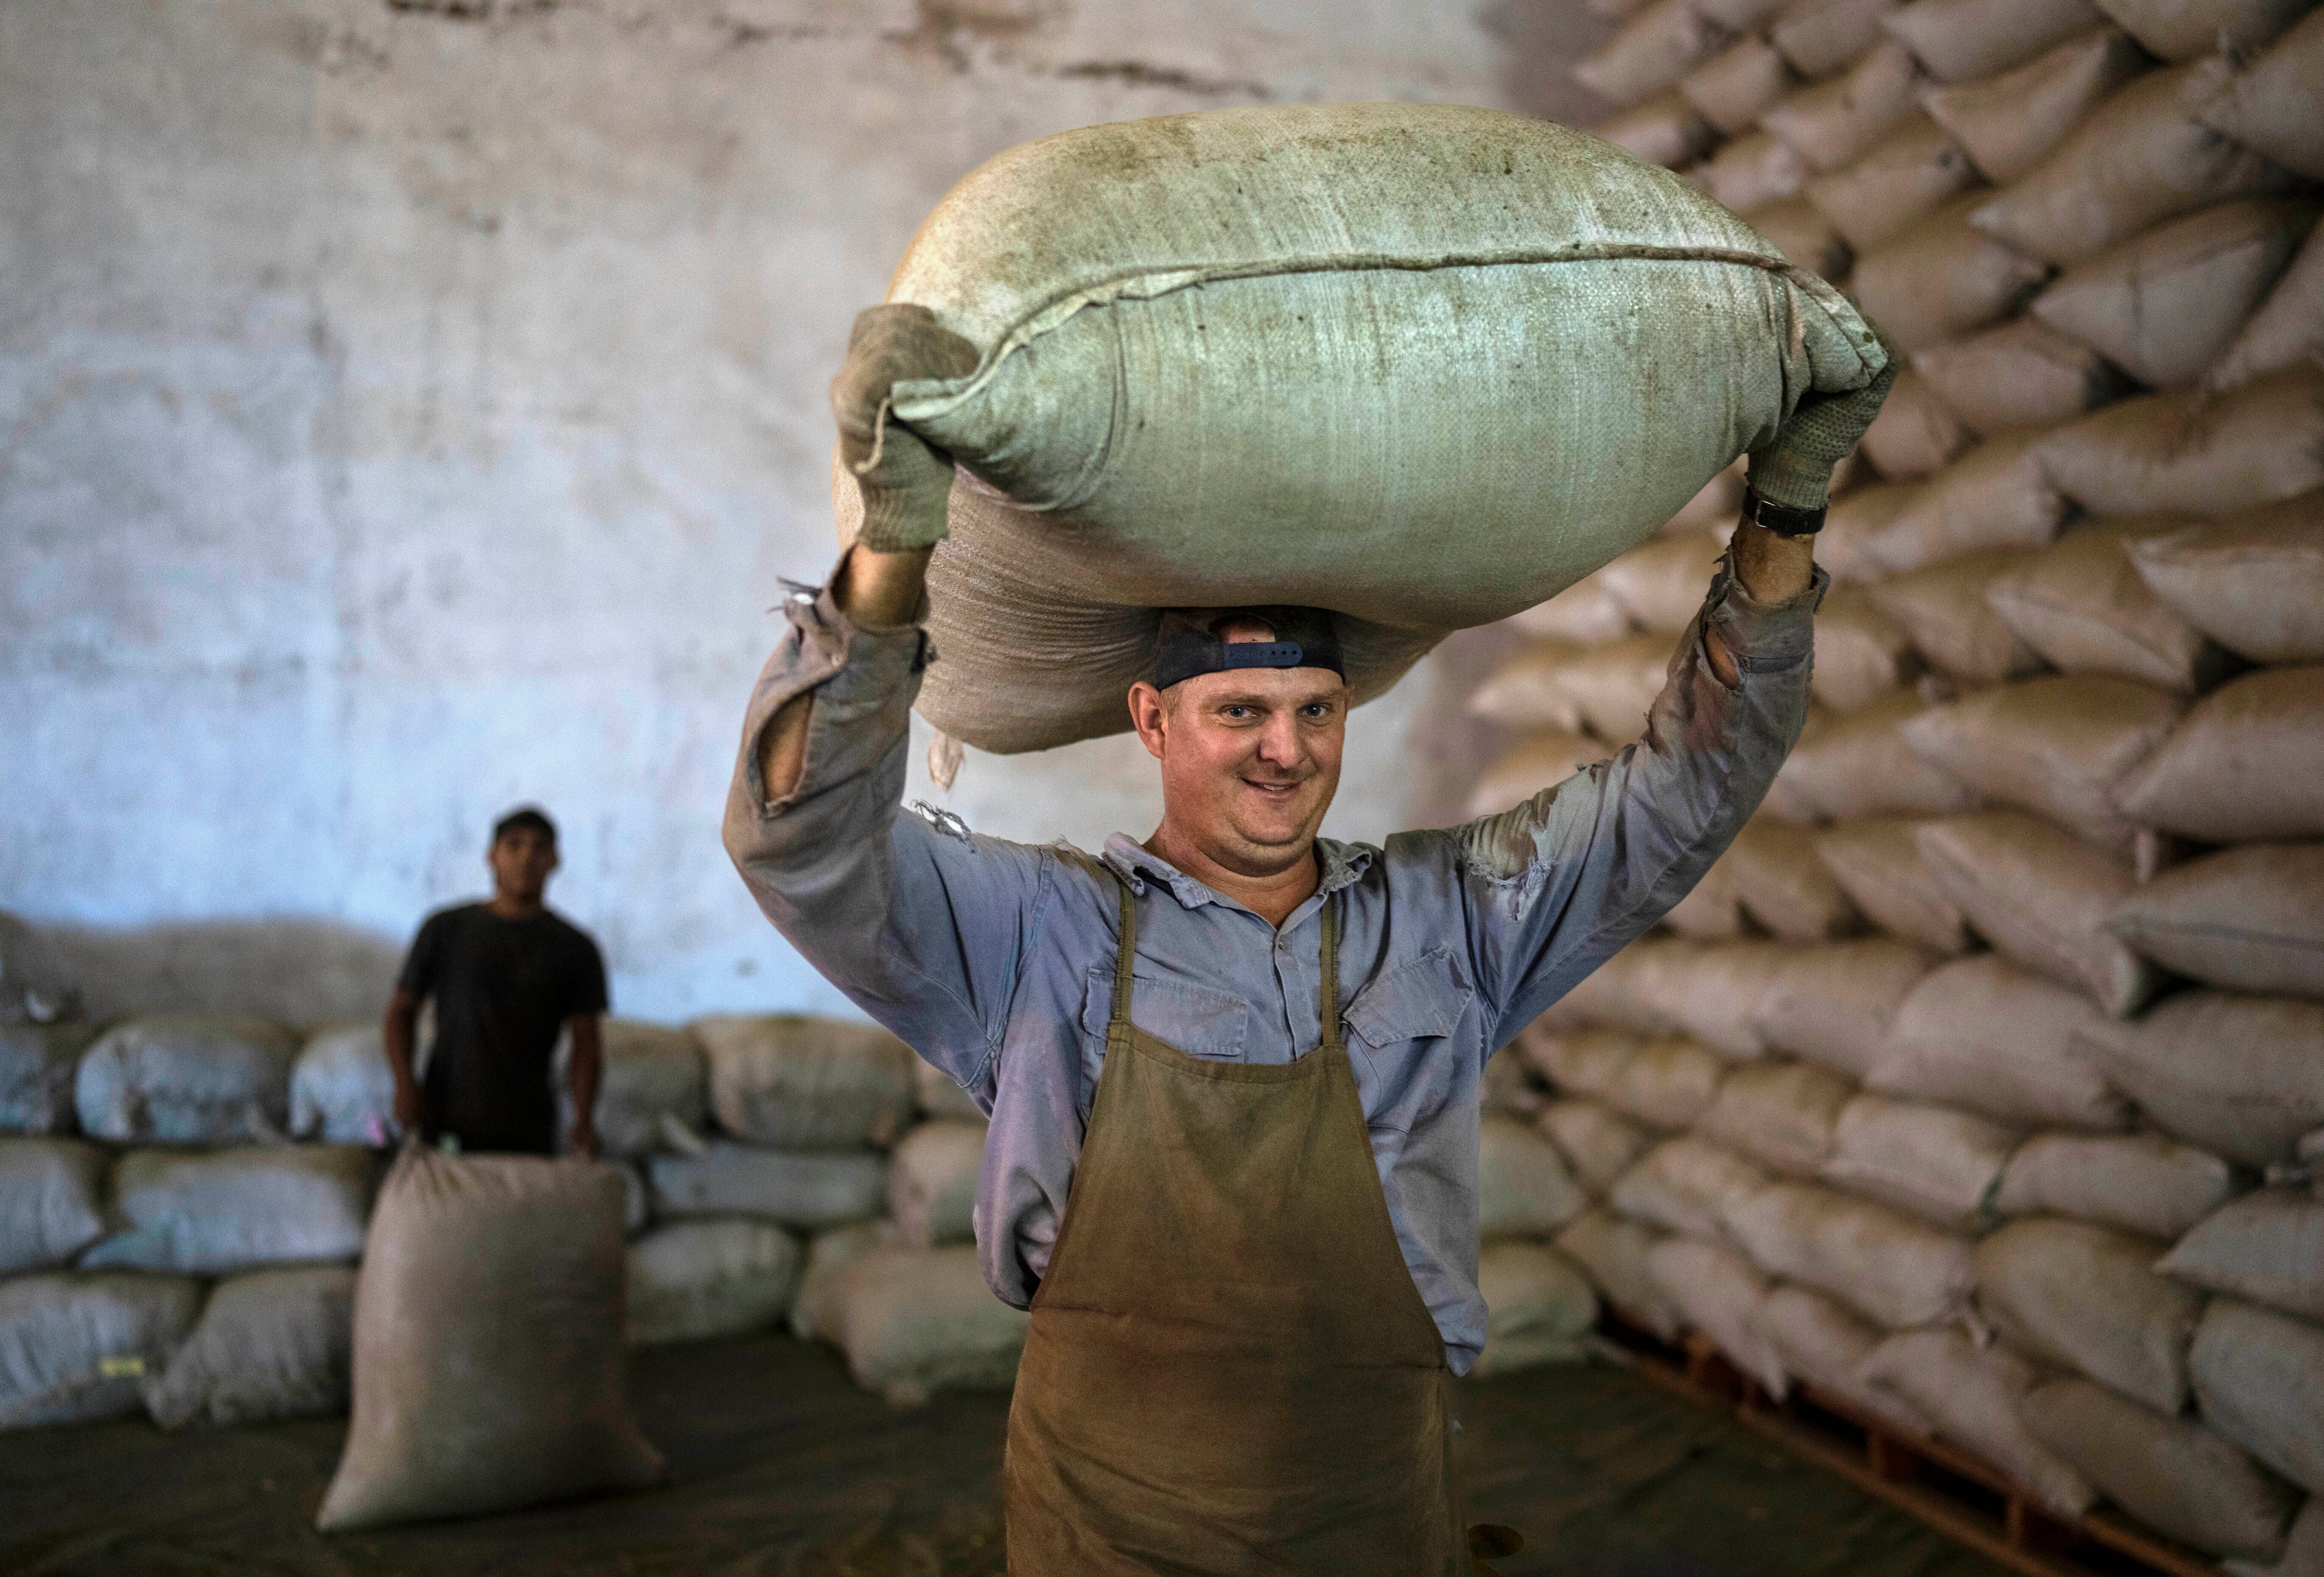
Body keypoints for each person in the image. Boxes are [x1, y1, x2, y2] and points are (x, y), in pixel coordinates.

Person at [724, 306, 1888, 1575]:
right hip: (1112, 1529)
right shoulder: (1035, 935)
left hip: (1374, 1518)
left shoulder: (1446, 921)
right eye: (1240, 710)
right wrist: (888, 557)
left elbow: (1688, 790)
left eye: (1316, 709)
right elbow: (801, 842)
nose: (1287, 750)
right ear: (1151, 721)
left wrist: (1786, 507)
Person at [384, 807, 609, 1159]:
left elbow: (587, 1043)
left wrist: (583, 1119)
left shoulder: (576, 949)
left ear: (554, 860)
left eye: (539, 848)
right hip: (446, 1116)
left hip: (529, 1126)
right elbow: (401, 1011)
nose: (526, 858)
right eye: (514, 845)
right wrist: (404, 1083)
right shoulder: (445, 930)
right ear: (492, 856)